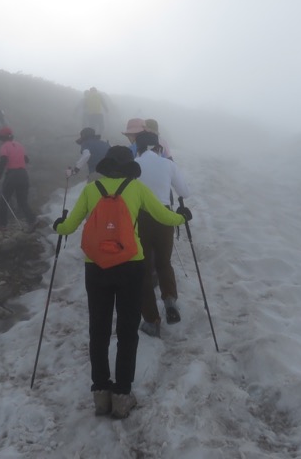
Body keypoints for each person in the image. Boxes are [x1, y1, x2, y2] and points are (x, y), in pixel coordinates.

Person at [52, 146, 192, 419]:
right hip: (131, 266)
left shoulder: (92, 189)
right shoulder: (137, 188)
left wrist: (58, 226)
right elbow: (164, 216)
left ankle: (100, 394)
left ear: (106, 166)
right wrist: (182, 217)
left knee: (99, 330)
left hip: (96, 268)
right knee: (127, 332)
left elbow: (69, 227)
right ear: (129, 167)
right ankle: (122, 396)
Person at [133, 131, 190, 337]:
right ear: (158, 147)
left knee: (144, 269)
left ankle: (151, 320)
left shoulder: (134, 165)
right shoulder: (168, 165)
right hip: (165, 217)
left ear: (138, 147)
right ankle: (169, 299)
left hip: (140, 218)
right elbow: (185, 192)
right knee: (164, 263)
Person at [0, 127, 36, 232]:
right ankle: (33, 221)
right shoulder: (20, 145)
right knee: (22, 201)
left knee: (4, 200)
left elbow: (3, 160)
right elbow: (26, 159)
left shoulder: (4, 147)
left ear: (2, 138)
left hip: (12, 174)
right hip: (23, 174)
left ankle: (2, 225)